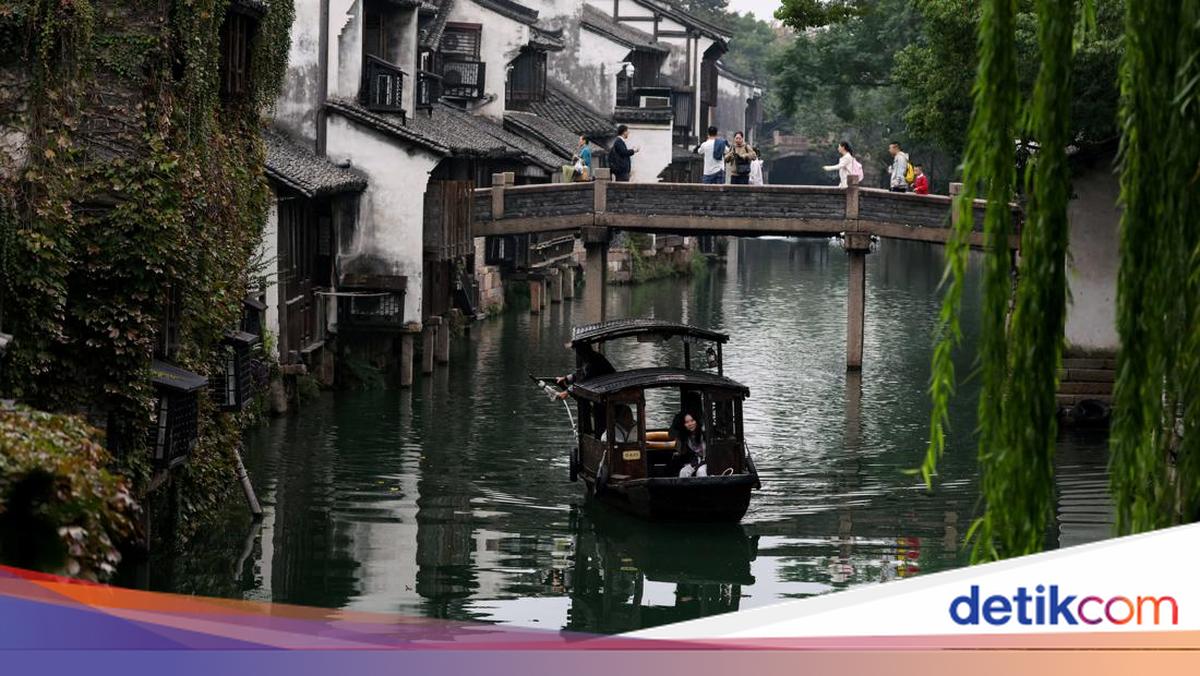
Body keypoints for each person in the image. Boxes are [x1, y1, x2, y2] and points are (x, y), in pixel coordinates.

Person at [673, 411, 708, 478]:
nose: (690, 424)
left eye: (692, 421)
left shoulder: (704, 434)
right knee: (683, 472)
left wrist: (698, 464)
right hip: (694, 461)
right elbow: (682, 453)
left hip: (706, 461)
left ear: (696, 421)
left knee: (701, 472)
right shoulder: (685, 437)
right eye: (687, 422)